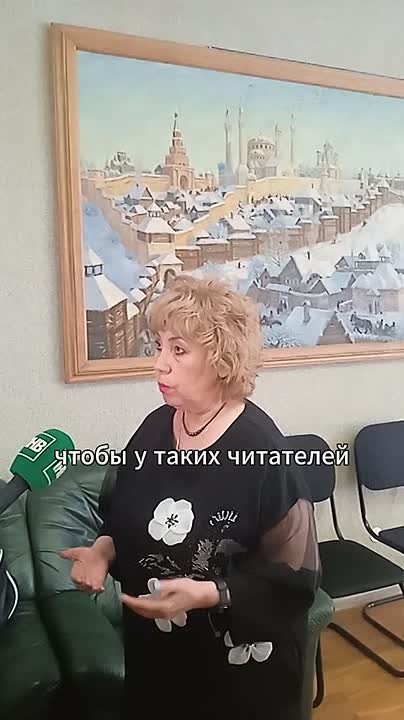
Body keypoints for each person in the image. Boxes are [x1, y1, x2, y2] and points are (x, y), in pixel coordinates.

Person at [60, 275, 320, 720]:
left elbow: (296, 581)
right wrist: (102, 551)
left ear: (222, 359)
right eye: (159, 346)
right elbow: (123, 516)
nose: (159, 364)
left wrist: (210, 594)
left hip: (237, 677)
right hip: (157, 657)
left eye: (178, 350)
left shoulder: (263, 452)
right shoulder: (154, 429)